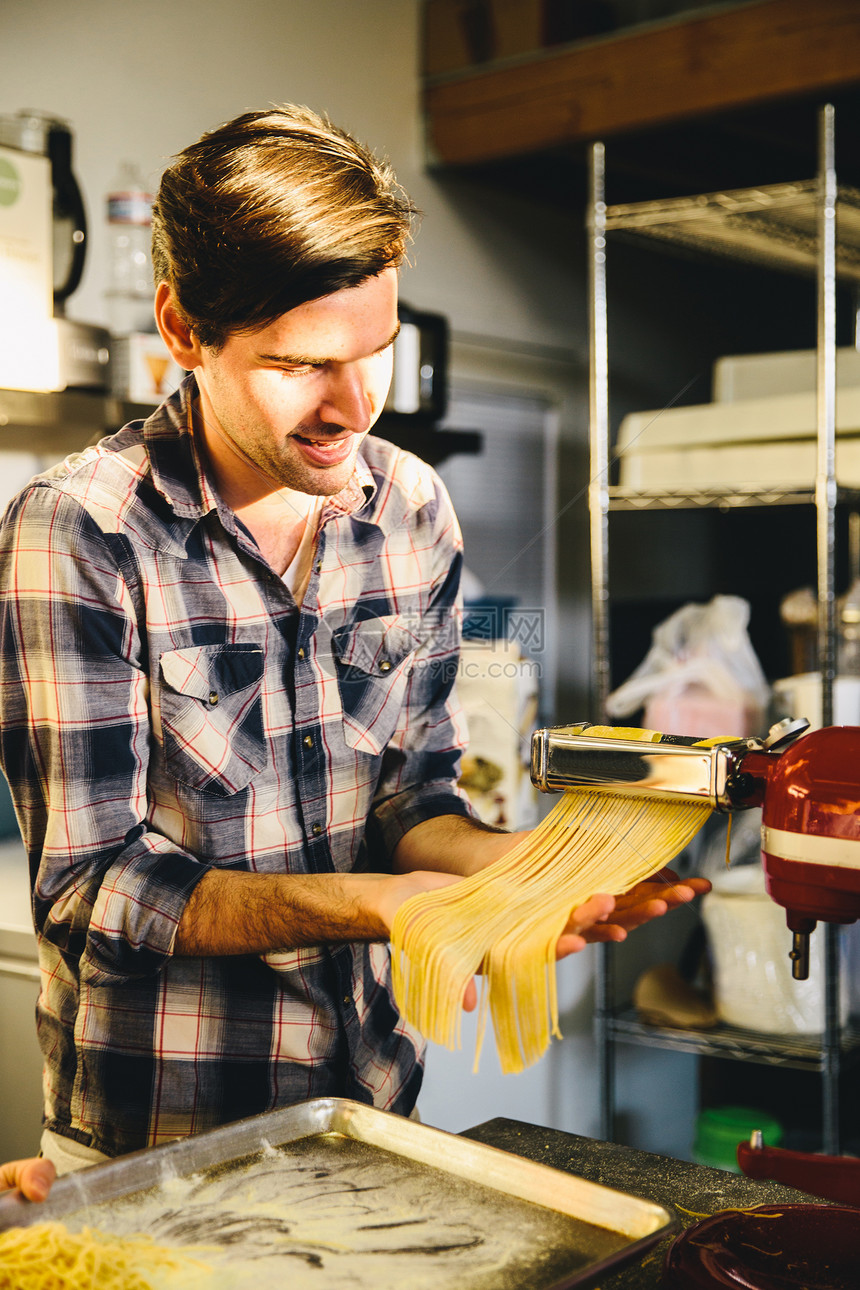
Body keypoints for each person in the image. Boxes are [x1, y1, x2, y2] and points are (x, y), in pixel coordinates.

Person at [0, 105, 709, 1173]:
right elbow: (90, 888)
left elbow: (406, 795)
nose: (351, 407)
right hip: (165, 1149)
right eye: (299, 365)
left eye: (372, 351)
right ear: (183, 331)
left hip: (374, 1115)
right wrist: (382, 909)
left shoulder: (409, 508)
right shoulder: (83, 528)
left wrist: (505, 875)